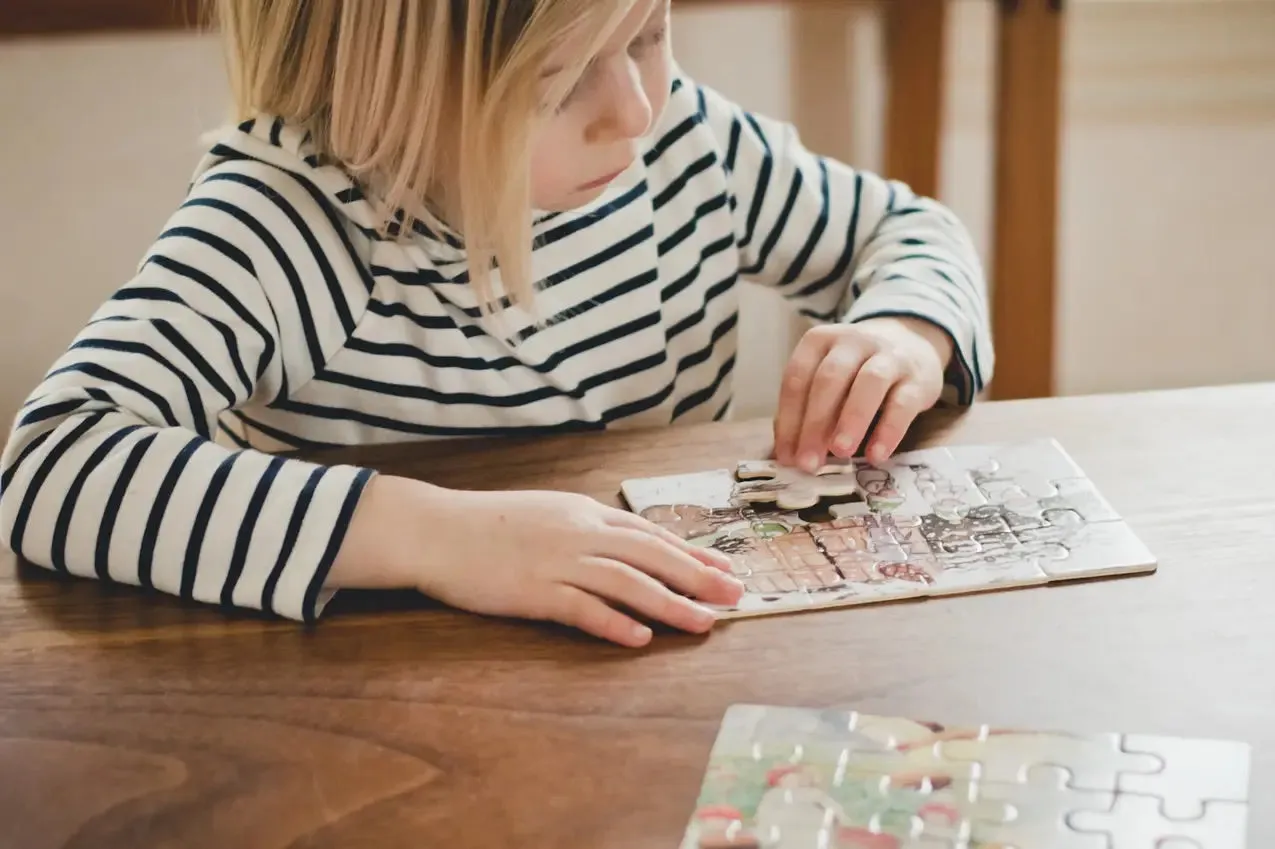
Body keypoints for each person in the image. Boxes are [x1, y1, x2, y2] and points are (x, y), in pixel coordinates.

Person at [0, 0, 992, 647]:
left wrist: (907, 330)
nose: (637, 108)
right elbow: (55, 464)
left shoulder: (687, 146)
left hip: (665, 690)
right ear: (384, 88)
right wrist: (442, 538)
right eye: (561, 84)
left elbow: (907, 230)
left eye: (648, 30)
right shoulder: (287, 220)